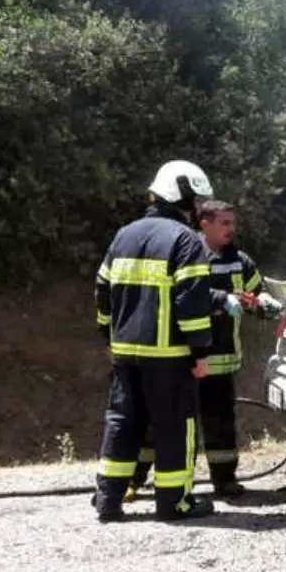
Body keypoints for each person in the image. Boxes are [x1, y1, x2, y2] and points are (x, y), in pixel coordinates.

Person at [125, 200, 282, 500]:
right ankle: (134, 480)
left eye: (233, 223)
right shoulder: (187, 253)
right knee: (157, 421)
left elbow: (256, 295)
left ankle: (224, 481)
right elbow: (179, 298)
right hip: (184, 359)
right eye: (224, 223)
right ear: (204, 223)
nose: (231, 229)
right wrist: (220, 302)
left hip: (221, 363)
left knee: (220, 424)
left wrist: (266, 306)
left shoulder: (240, 261)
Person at [93, 160, 218, 523]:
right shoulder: (185, 241)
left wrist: (109, 335)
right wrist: (200, 351)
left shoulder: (124, 234)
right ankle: (174, 503)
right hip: (169, 356)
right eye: (197, 202)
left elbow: (103, 292)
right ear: (181, 196)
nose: (199, 210)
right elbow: (191, 304)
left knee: (122, 421)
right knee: (175, 426)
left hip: (125, 353)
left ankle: (108, 500)